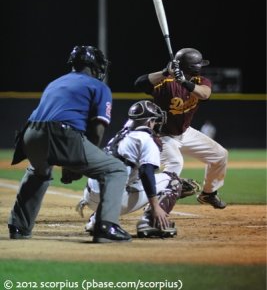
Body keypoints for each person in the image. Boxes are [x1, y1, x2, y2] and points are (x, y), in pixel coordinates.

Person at [8, 45, 131, 243]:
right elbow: (98, 129)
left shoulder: (55, 82)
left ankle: (19, 225)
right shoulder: (98, 86)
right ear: (95, 66)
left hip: (30, 133)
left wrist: (72, 162)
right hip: (61, 134)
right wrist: (78, 165)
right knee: (115, 170)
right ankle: (106, 226)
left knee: (38, 171)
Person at [76, 100, 201, 238]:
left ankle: (97, 220)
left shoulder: (120, 136)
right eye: (155, 121)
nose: (156, 124)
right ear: (149, 122)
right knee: (173, 181)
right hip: (113, 199)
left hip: (90, 195)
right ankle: (150, 223)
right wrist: (155, 206)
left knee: (126, 176)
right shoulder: (146, 139)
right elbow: (146, 173)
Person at [134, 47, 228, 209]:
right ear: (194, 67)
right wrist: (165, 72)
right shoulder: (165, 83)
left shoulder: (200, 82)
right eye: (199, 65)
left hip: (184, 132)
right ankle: (154, 207)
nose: (201, 67)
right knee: (175, 164)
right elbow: (139, 83)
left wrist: (184, 82)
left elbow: (204, 94)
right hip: (162, 135)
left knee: (220, 155)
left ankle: (208, 194)